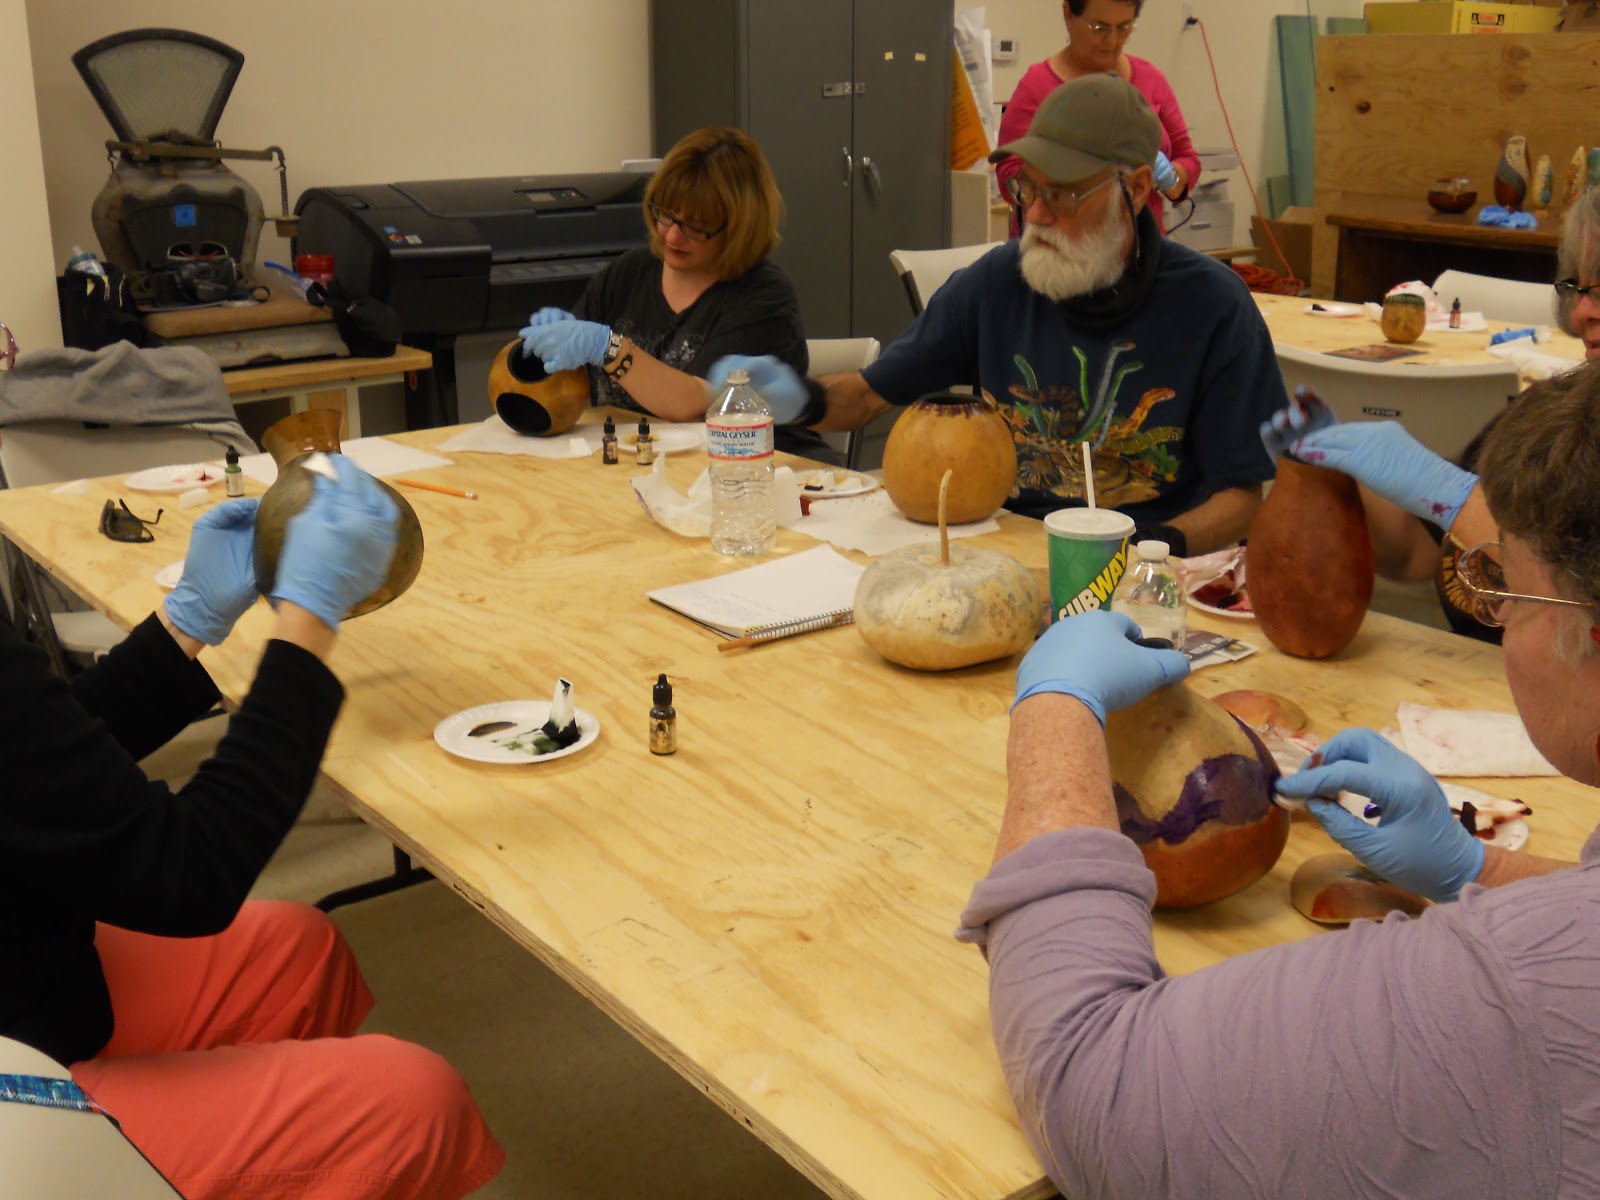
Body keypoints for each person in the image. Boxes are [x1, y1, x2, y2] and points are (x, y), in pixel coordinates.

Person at [956, 359, 1600, 1198]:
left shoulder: (1536, 985)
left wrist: (1053, 714)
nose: (1502, 618)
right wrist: (1484, 869)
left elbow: (1095, 1094)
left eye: (1508, 593)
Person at [1, 459, 504, 1200]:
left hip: (33, 974)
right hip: (17, 1087)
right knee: (414, 1103)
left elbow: (38, 766)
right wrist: (304, 634)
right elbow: (183, 873)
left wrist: (185, 623)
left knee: (301, 953)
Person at [715, 75, 1282, 556]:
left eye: (1061, 194)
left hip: (1147, 562)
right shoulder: (996, 285)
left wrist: (1146, 551)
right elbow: (866, 397)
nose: (1034, 214)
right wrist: (797, 399)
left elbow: (1242, 500)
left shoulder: (1212, 307)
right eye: (1025, 187)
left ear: (1135, 189)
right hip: (1004, 547)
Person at [1261, 186, 1600, 643]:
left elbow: (1575, 601)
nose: (1582, 311)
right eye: (1577, 286)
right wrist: (1334, 481)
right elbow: (1415, 557)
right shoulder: (1548, 418)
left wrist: (1452, 494)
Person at [516, 125, 828, 457]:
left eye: (695, 226)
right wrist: (551, 346)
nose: (673, 237)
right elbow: (565, 377)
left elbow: (692, 404)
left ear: (739, 228)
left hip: (755, 477)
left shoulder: (764, 297)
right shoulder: (630, 272)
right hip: (643, 471)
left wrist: (607, 348)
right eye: (666, 214)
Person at [995, 0, 1198, 235]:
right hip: (1057, 245)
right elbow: (1007, 173)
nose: (1112, 42)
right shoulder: (1037, 86)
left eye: (1124, 27)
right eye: (1099, 28)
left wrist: (1169, 177)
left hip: (1137, 251)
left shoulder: (1150, 80)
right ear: (1068, 15)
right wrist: (1065, 180)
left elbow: (1188, 158)